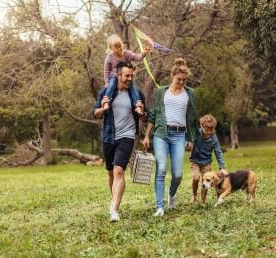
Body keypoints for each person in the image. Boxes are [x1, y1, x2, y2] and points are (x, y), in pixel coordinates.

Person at [92, 62, 149, 222]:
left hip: (127, 136)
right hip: (109, 136)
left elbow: (146, 116)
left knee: (119, 171)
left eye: (132, 75)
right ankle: (114, 201)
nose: (130, 78)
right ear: (118, 76)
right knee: (110, 171)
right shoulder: (106, 91)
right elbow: (95, 112)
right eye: (127, 76)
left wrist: (142, 112)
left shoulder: (136, 94)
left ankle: (115, 210)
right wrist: (102, 110)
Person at [142, 58, 198, 217]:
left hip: (180, 135)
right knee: (160, 169)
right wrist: (147, 136)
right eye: (179, 79)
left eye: (184, 80)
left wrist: (190, 138)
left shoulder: (189, 93)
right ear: (172, 76)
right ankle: (160, 206)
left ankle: (171, 193)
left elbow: (192, 117)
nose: (182, 82)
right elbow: (152, 116)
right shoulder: (161, 92)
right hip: (161, 133)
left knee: (178, 174)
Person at [103, 34, 150, 115]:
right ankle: (107, 102)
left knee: (134, 87)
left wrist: (143, 53)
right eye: (117, 47)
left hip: (126, 77)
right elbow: (106, 70)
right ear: (111, 49)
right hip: (114, 76)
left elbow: (137, 57)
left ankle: (138, 106)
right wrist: (107, 81)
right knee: (111, 85)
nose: (120, 48)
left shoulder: (127, 53)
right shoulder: (110, 57)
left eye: (120, 46)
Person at [189, 114, 229, 206]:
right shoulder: (196, 133)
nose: (209, 133)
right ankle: (194, 195)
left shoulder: (214, 138)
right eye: (206, 130)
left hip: (206, 162)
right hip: (195, 160)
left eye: (211, 130)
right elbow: (188, 141)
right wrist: (188, 144)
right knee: (196, 178)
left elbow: (218, 152)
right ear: (202, 126)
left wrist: (222, 167)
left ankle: (202, 201)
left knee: (206, 181)